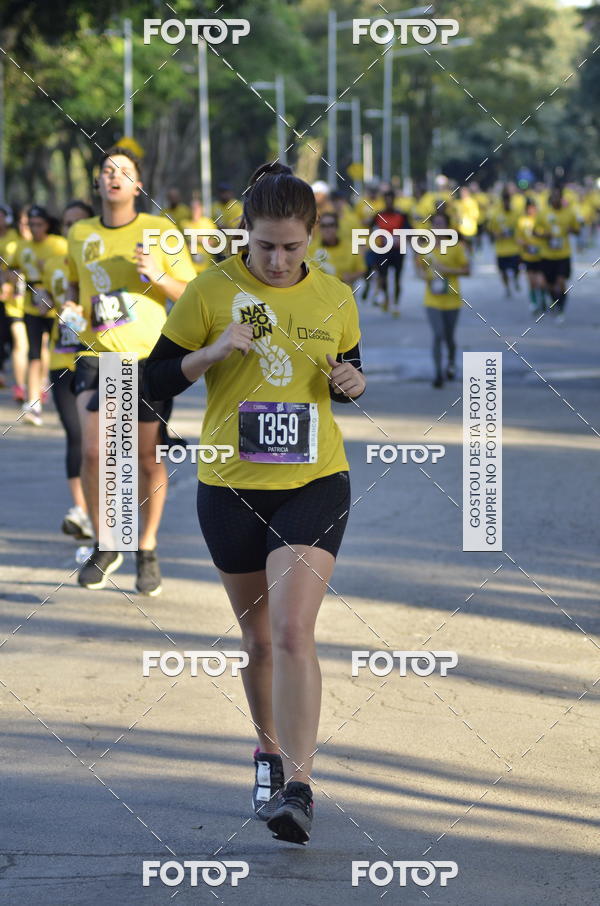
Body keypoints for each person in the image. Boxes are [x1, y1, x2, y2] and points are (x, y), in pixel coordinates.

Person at [144, 161, 366, 845]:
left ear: (312, 238)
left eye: (291, 247)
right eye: (264, 245)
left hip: (313, 482)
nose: (276, 259)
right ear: (246, 234)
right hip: (230, 487)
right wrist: (212, 352)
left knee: (295, 631)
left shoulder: (334, 296)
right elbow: (152, 383)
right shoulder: (209, 291)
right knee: (258, 640)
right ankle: (268, 749)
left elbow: (343, 374)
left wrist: (352, 382)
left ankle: (298, 787)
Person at [63, 146, 196, 594]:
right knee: (94, 451)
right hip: (97, 354)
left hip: (148, 359)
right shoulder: (80, 232)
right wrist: (69, 307)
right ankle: (107, 542)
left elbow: (194, 294)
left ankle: (147, 546)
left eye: (124, 171)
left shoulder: (159, 230)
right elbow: (77, 286)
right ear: (98, 183)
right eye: (106, 170)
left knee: (144, 457)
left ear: (138, 185)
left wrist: (159, 276)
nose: (114, 177)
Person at [41, 200, 95, 540]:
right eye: (67, 223)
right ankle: (81, 511)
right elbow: (42, 303)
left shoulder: (98, 261)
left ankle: (107, 510)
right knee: (76, 437)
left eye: (79, 222)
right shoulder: (52, 264)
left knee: (102, 443)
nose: (72, 228)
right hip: (62, 359)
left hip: (94, 356)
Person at [15, 206, 66, 425]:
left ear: (47, 225)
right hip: (31, 307)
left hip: (56, 308)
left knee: (56, 351)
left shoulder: (58, 245)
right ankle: (33, 403)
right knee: (33, 354)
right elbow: (12, 268)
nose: (35, 229)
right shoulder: (21, 247)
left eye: (39, 224)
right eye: (30, 225)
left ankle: (63, 392)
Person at [416, 209, 470, 388]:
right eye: (435, 224)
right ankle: (438, 373)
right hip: (432, 300)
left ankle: (451, 363)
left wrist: (446, 270)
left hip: (452, 299)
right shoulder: (426, 248)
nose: (438, 227)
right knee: (437, 334)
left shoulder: (456, 247)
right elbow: (420, 271)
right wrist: (426, 276)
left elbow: (466, 270)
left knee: (449, 337)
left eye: (441, 224)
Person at [533, 185, 579, 323]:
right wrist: (544, 235)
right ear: (550, 198)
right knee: (549, 285)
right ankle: (555, 303)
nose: (555, 200)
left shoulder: (569, 212)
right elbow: (534, 232)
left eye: (558, 197)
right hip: (547, 255)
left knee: (561, 282)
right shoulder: (543, 213)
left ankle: (561, 308)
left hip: (563, 254)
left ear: (561, 198)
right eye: (553, 197)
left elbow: (577, 230)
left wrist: (571, 229)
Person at [370, 188, 411, 315]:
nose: (388, 202)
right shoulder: (378, 215)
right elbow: (370, 229)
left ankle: (396, 304)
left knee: (397, 278)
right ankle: (386, 297)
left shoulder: (402, 215)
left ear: (394, 200)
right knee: (383, 276)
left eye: (390, 199)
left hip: (398, 251)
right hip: (382, 251)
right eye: (386, 199)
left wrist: (400, 237)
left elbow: (409, 230)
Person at [308, 212, 364, 285]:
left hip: (346, 288)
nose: (327, 229)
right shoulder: (311, 249)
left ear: (337, 227)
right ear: (320, 229)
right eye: (323, 226)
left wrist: (351, 276)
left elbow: (362, 269)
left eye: (331, 225)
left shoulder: (350, 246)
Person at [488, 190, 521, 297]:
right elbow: (491, 229)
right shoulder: (496, 214)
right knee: (503, 272)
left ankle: (515, 279)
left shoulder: (515, 213)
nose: (507, 204)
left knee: (516, 268)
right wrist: (496, 234)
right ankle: (507, 287)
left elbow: (520, 228)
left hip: (514, 248)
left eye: (508, 201)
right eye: (505, 201)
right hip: (501, 249)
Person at [516, 198, 544, 315]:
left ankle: (543, 301)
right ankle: (533, 303)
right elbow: (518, 238)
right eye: (529, 208)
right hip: (528, 256)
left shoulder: (541, 219)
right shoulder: (522, 221)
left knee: (541, 282)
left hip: (541, 255)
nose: (532, 210)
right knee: (532, 282)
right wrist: (525, 245)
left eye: (533, 207)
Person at [180, 194, 218, 275]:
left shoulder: (209, 223)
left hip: (206, 267)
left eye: (197, 208)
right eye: (192, 208)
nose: (195, 211)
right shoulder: (183, 223)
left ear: (201, 209)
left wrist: (198, 240)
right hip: (189, 267)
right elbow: (177, 242)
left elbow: (215, 243)